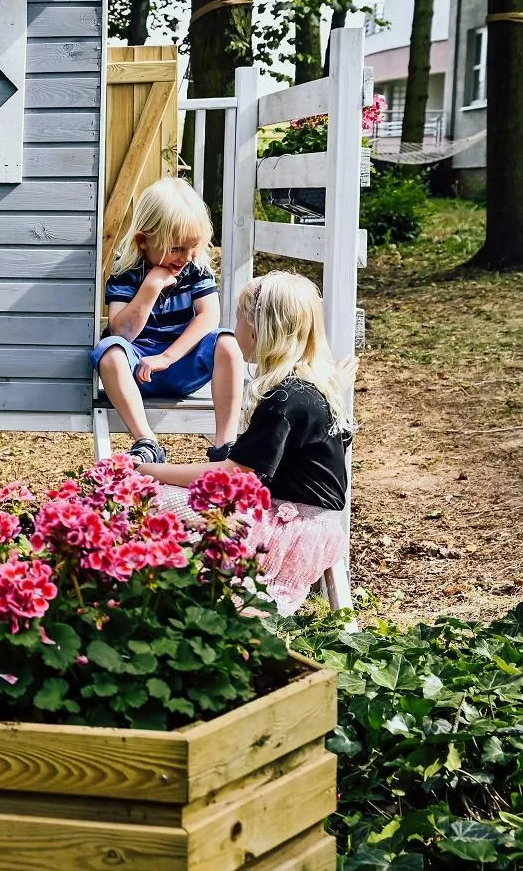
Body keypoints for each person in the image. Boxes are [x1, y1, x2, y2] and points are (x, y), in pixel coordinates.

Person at [138, 271, 357, 613]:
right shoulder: (313, 387)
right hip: (314, 525)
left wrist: (151, 470)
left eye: (238, 319)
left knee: (154, 498)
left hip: (285, 529)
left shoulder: (285, 398)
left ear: (258, 330)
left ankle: (171, 599)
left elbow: (233, 476)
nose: (233, 328)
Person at [93, 178, 243, 465]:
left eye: (194, 247)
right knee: (109, 351)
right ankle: (147, 443)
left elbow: (208, 316)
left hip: (181, 364)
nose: (186, 257)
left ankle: (225, 444)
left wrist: (167, 357)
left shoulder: (195, 270)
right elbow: (122, 332)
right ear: (143, 240)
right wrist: (150, 287)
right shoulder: (126, 272)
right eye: (176, 248)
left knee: (226, 342)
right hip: (135, 373)